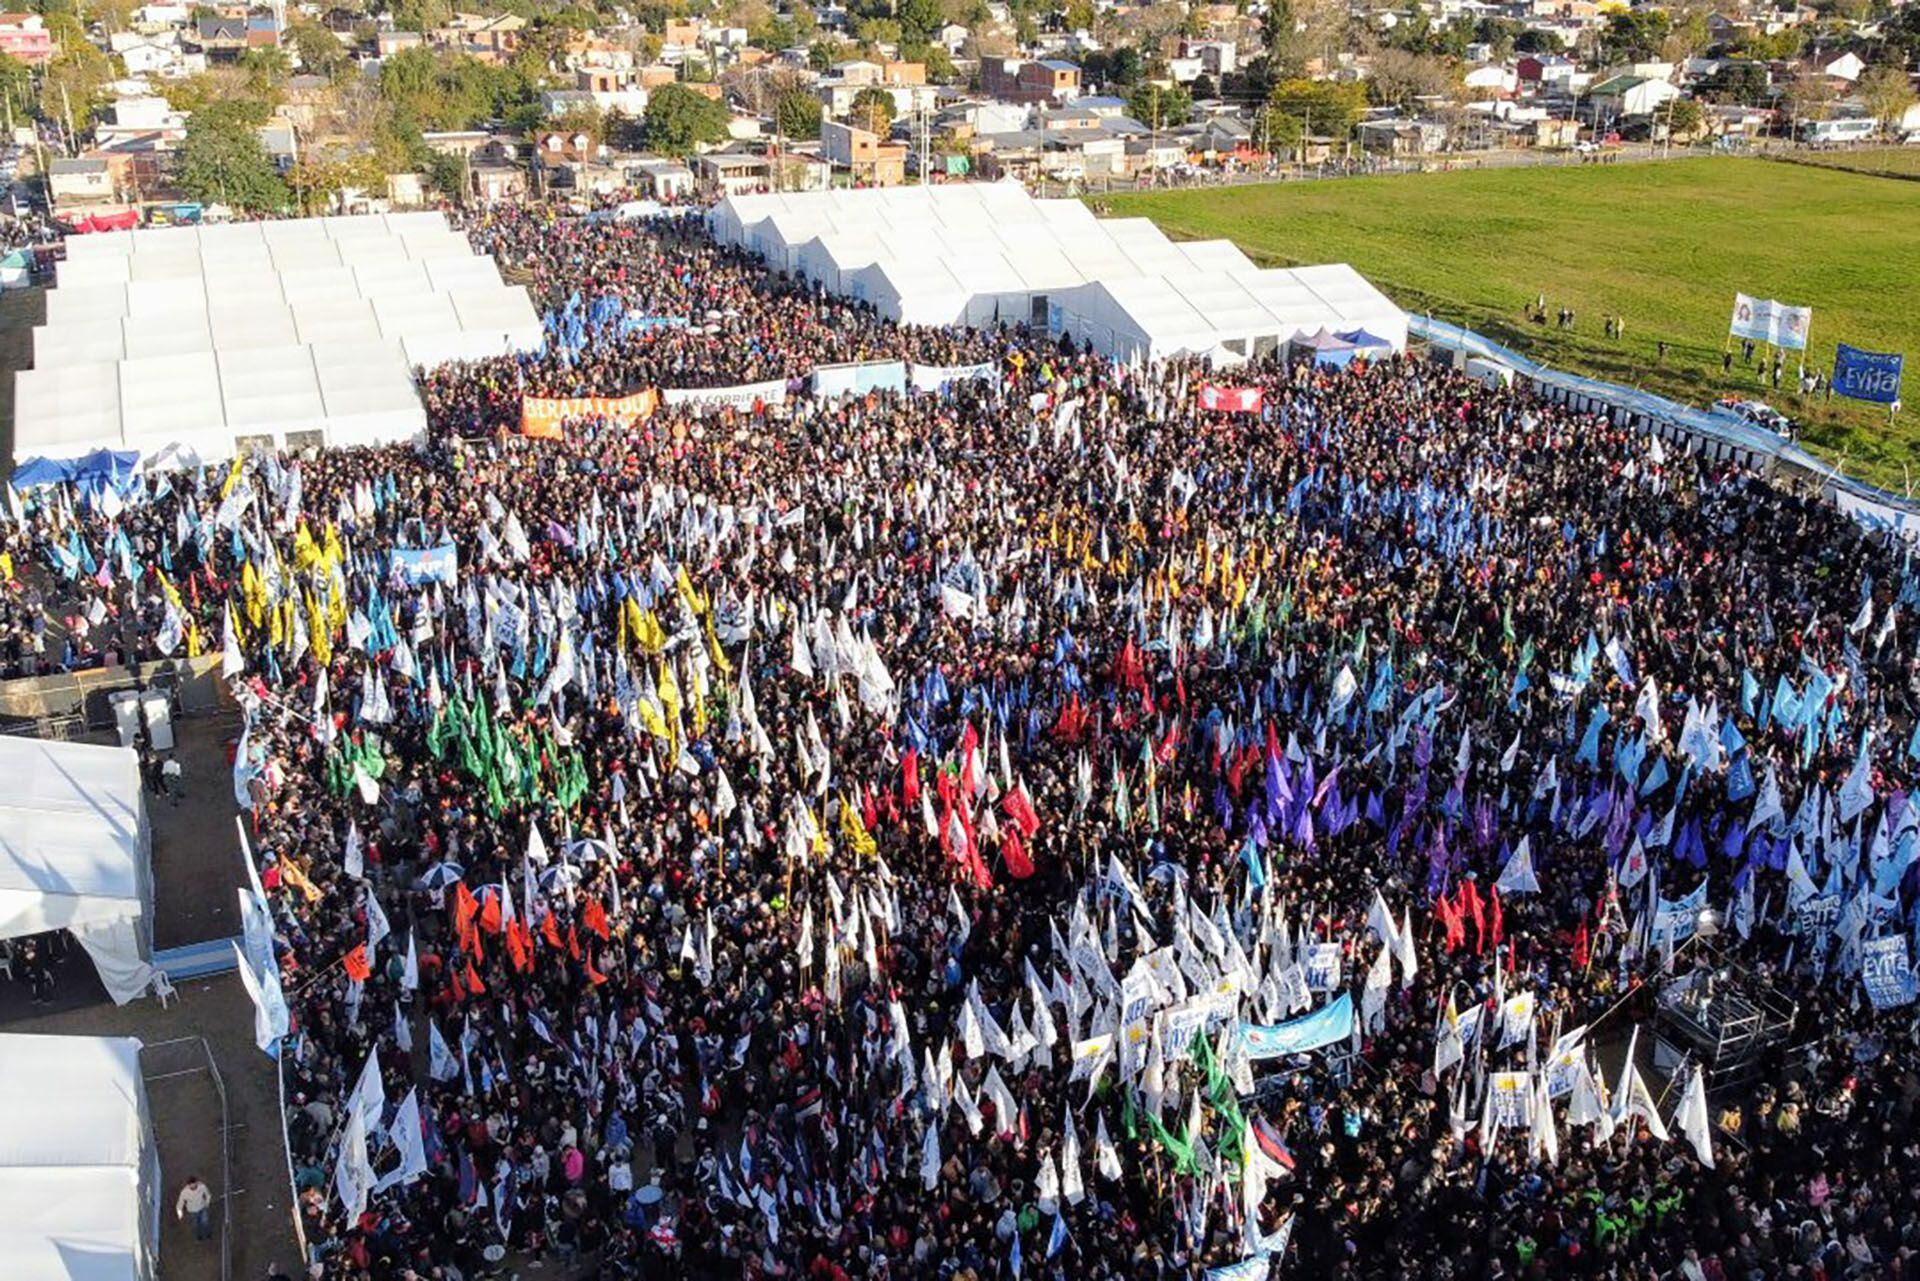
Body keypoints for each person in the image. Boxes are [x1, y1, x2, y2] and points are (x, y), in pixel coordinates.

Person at [176, 1175, 212, 1241]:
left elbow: (208, 1195)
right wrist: (179, 1213)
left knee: (205, 1222)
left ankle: (207, 1234)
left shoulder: (202, 1187)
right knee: (196, 1225)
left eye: (194, 1184)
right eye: (191, 1185)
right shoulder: (184, 1192)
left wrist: (207, 1203)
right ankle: (199, 1236)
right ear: (188, 1185)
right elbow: (180, 1204)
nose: (193, 1186)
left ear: (196, 1182)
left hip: (202, 1208)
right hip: (192, 1211)